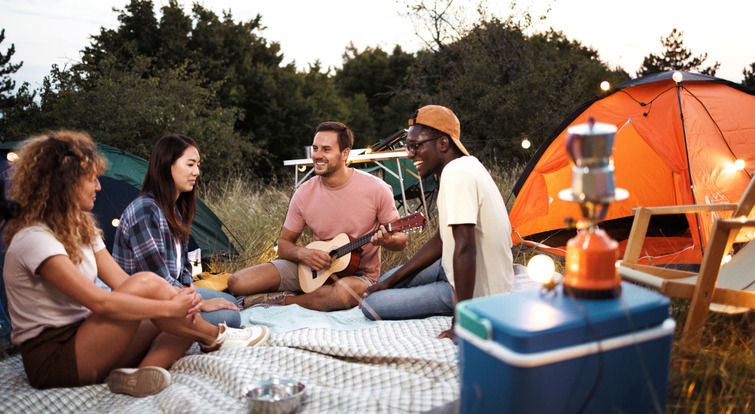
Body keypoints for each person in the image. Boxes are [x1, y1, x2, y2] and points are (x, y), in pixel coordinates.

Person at [2, 131, 269, 397]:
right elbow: (101, 302)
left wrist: (185, 302)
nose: (98, 186)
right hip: (57, 358)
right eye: (90, 178)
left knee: (177, 308)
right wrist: (169, 305)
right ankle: (216, 337)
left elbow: (121, 283)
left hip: (90, 334)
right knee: (155, 288)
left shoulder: (83, 229)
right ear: (64, 183)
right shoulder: (35, 239)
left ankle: (143, 373)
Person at [361, 105, 514, 341]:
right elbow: (443, 239)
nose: (410, 154)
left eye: (415, 146)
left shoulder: (457, 174)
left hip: (478, 290)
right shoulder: (464, 165)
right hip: (452, 268)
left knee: (371, 305)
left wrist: (461, 322)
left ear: (443, 143)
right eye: (407, 147)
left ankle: (455, 304)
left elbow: (466, 247)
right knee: (383, 283)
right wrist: (392, 281)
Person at [227, 121, 408, 311]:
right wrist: (304, 254)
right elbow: (284, 245)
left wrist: (387, 241)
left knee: (340, 295)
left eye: (326, 149)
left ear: (345, 154)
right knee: (237, 283)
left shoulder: (376, 188)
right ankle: (311, 298)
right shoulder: (304, 193)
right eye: (315, 148)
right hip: (312, 269)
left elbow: (401, 240)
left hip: (359, 275)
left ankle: (279, 301)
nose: (318, 156)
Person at [112, 134, 241, 328]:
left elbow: (184, 268)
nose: (196, 172)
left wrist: (190, 290)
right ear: (167, 165)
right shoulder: (145, 210)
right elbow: (156, 280)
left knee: (231, 303)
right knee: (230, 317)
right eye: (190, 165)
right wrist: (201, 303)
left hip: (172, 292)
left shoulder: (173, 210)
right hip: (146, 303)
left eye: (198, 165)